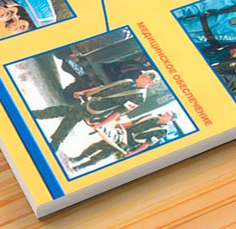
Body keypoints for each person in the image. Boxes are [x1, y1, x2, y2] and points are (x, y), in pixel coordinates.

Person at [31, 71, 159, 151]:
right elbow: (104, 88)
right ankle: (54, 143)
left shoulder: (139, 97)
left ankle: (36, 116)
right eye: (142, 74)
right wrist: (84, 92)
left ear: (149, 81)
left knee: (64, 112)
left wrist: (101, 124)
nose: (140, 75)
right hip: (91, 103)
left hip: (95, 111)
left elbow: (119, 112)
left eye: (144, 76)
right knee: (69, 117)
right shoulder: (128, 82)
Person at [69, 111, 176, 171]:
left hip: (130, 142)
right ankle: (79, 158)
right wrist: (117, 126)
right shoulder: (152, 116)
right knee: (99, 145)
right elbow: (132, 122)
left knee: (105, 153)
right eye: (166, 113)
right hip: (123, 134)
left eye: (168, 115)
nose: (165, 114)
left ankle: (82, 166)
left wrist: (133, 152)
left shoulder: (163, 131)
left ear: (171, 120)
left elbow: (147, 143)